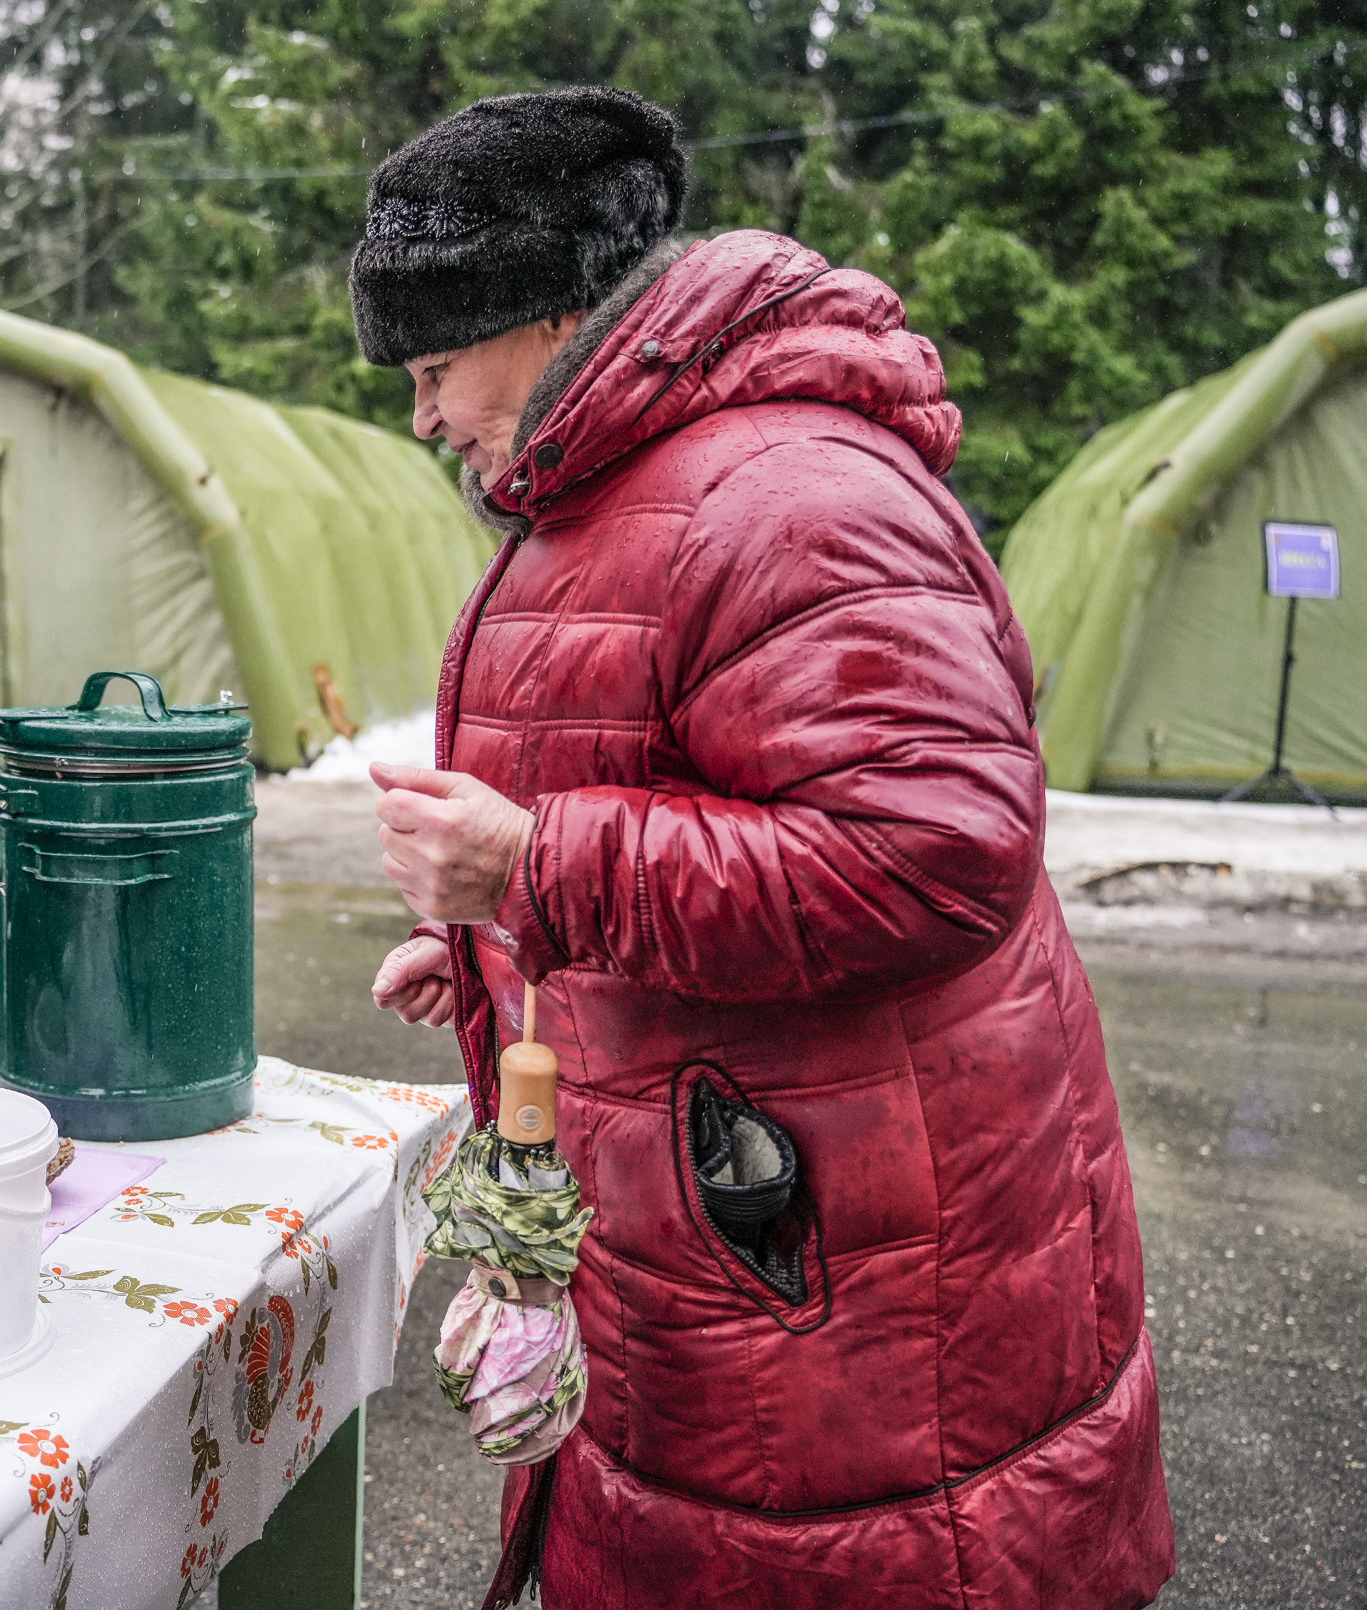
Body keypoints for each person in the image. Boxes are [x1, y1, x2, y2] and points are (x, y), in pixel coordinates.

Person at [355, 88, 1174, 1609]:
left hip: (852, 1312)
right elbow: (674, 787)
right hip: (734, 1271)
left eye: (434, 368)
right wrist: (495, 942)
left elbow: (929, 851)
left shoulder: (787, 494)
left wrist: (534, 869)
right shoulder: (606, 487)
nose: (424, 418)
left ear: (547, 317)